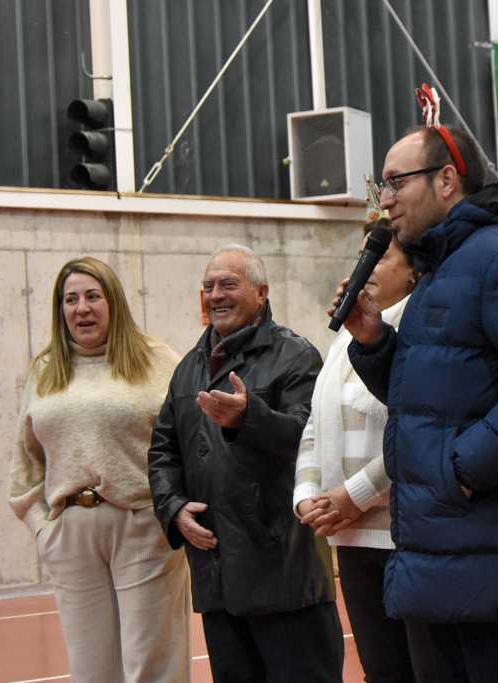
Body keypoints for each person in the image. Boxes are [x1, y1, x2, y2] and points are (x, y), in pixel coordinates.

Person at [333, 96, 498, 682]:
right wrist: (373, 341)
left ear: (447, 180)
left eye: (396, 182)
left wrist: (460, 469)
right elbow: (427, 400)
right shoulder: (442, 272)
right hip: (438, 550)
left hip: (488, 550)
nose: (385, 199)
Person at [148, 244, 343, 683]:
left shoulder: (296, 355)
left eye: (228, 284)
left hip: (285, 575)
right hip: (217, 576)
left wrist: (249, 418)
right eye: (208, 286)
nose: (216, 295)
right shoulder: (188, 368)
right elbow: (163, 449)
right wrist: (173, 507)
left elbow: (310, 439)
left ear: (261, 292)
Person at [9, 256, 190, 682]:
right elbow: (25, 462)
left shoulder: (157, 360)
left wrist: (173, 511)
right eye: (70, 299)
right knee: (91, 669)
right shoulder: (45, 370)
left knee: (152, 664)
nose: (82, 308)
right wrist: (43, 529)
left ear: (113, 302)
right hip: (69, 533)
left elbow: (190, 441)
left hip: (144, 526)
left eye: (93, 296)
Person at [295, 226, 433, 682]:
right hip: (350, 534)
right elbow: (315, 424)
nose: (365, 268)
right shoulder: (346, 335)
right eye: (360, 258)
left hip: (402, 533)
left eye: (379, 257)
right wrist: (308, 497)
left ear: (413, 271)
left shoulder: (418, 326)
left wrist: (353, 495)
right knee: (382, 670)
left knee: (420, 670)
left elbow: (415, 431)